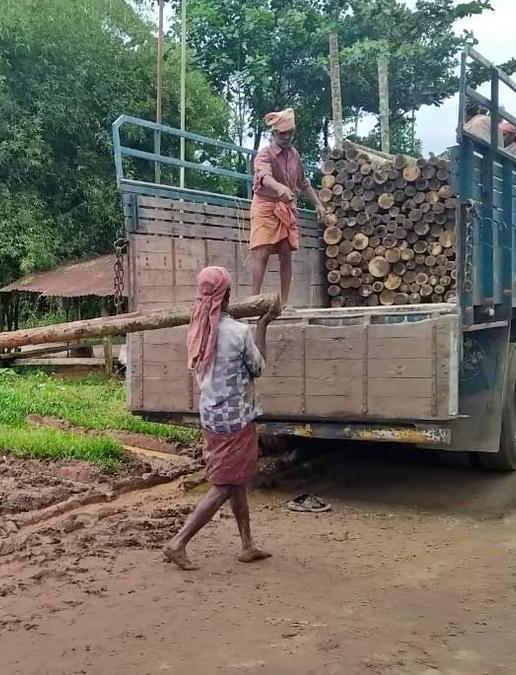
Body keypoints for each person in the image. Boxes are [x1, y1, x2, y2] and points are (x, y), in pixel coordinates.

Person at [163, 266, 278, 571]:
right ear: (227, 295)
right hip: (236, 419)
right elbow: (259, 368)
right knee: (225, 485)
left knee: (234, 480)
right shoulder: (238, 332)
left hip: (212, 416)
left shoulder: (197, 327)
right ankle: (179, 541)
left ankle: (247, 544)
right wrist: (263, 325)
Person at [250, 108, 326, 307]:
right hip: (265, 205)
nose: (286, 137)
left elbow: (303, 182)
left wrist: (318, 204)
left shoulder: (294, 155)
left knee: (286, 251)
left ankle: (284, 302)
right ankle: (253, 301)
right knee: (262, 251)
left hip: (286, 206)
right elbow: (263, 176)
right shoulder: (264, 154)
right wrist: (279, 187)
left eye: (289, 133)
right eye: (282, 133)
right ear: (273, 134)